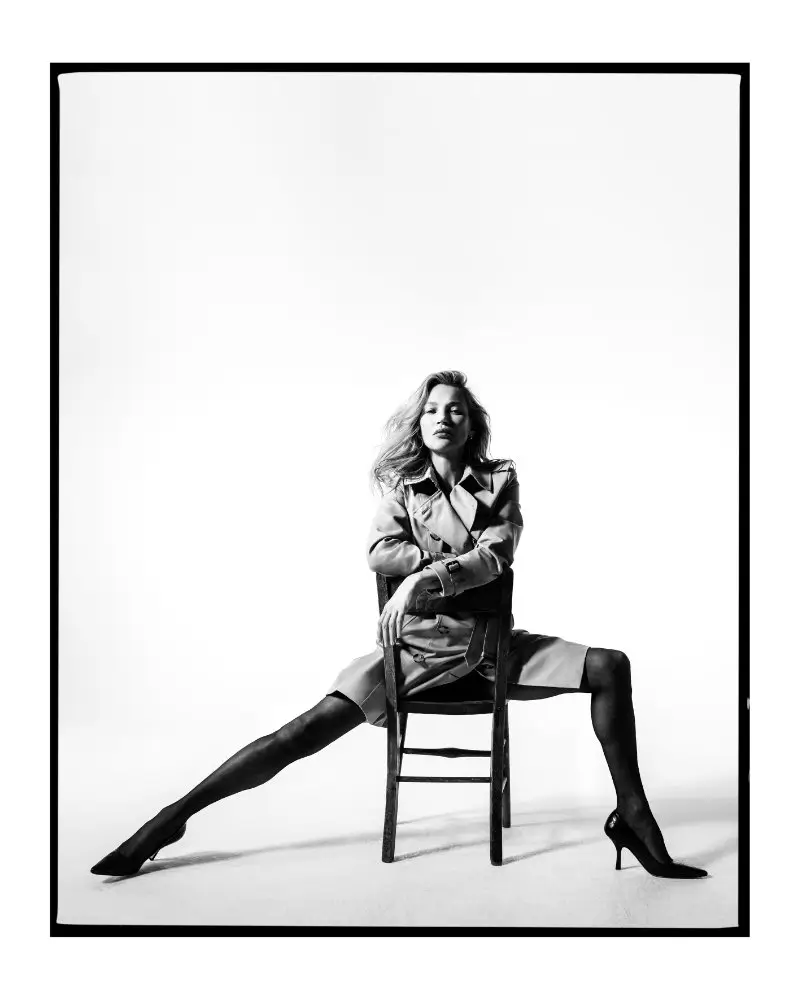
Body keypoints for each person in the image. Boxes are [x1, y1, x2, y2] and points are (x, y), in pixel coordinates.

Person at [91, 370, 707, 879]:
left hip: (488, 649)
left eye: (456, 410)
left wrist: (424, 578)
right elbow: (379, 552)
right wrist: (440, 571)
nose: (443, 418)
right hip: (410, 651)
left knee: (611, 665)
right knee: (297, 735)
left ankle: (634, 815)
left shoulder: (500, 481)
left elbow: (498, 554)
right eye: (432, 409)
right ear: (419, 423)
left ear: (472, 425)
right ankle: (171, 818)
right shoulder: (400, 488)